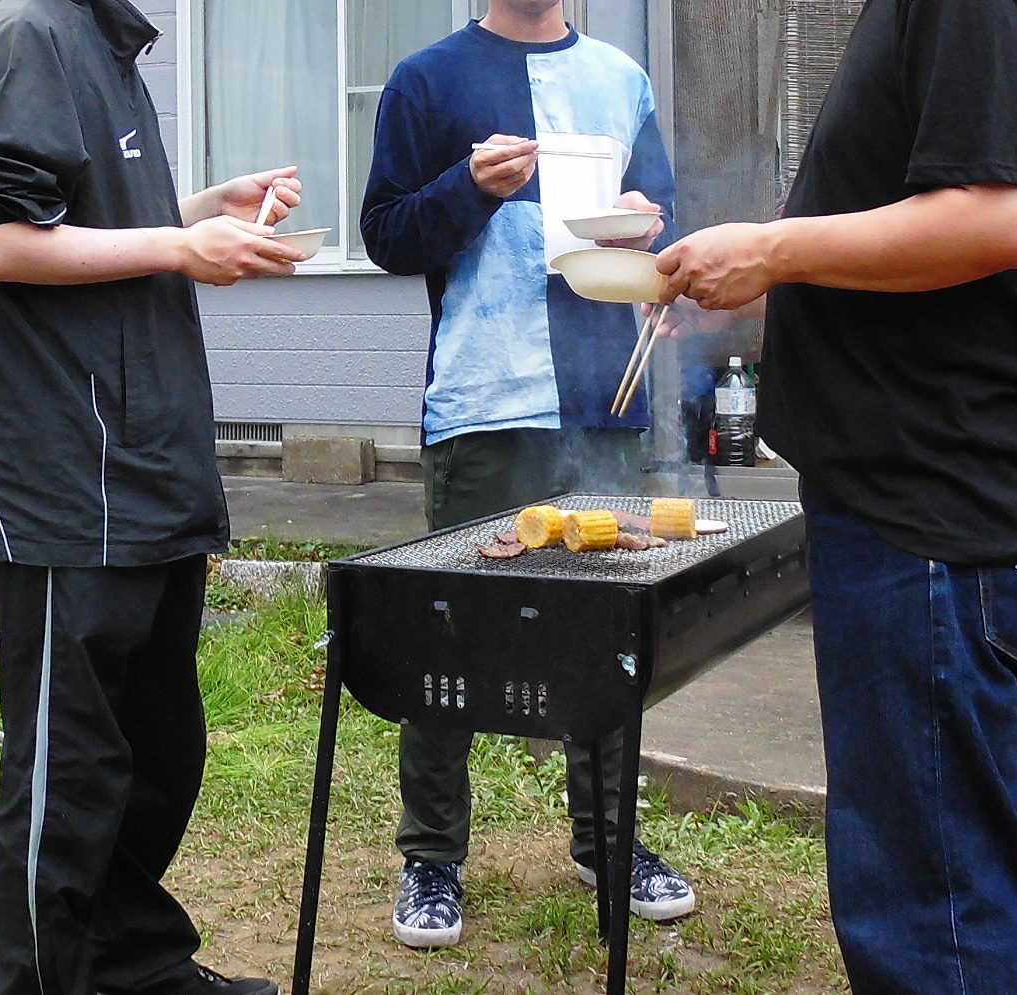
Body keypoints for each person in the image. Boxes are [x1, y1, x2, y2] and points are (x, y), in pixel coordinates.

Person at [653, 0, 1017, 992]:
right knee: (928, 887)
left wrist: (769, 249)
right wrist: (746, 279)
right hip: (904, 514)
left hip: (929, 520)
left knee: (930, 922)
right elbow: (917, 249)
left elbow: (1002, 216)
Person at [0, 1, 307, 992]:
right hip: (62, 476)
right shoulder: (29, 34)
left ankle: (132, 962)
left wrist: (199, 212)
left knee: (155, 752)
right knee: (72, 768)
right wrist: (179, 250)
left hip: (144, 465)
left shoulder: (106, 46)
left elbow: (83, 228)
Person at [361, 0, 695, 950]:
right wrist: (466, 187)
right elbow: (387, 234)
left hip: (602, 401)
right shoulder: (428, 79)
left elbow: (667, 222)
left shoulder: (620, 81)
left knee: (613, 637)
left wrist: (647, 224)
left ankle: (610, 839)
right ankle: (431, 857)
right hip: (483, 398)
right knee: (448, 633)